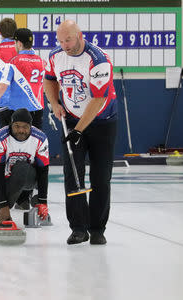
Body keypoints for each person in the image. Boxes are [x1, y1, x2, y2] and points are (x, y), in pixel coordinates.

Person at [43, 20, 117, 245]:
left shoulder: (98, 59)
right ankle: (78, 228)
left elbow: (99, 98)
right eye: (61, 40)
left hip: (102, 123)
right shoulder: (56, 56)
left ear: (80, 35)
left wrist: (79, 130)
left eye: (69, 39)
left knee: (100, 177)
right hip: (72, 121)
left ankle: (97, 229)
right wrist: (54, 103)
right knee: (72, 176)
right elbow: (49, 81)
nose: (65, 44)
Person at [0, 108, 50, 226]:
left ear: (30, 126)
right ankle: (0, 200)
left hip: (30, 177)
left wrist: (43, 201)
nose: (21, 130)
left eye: (25, 127)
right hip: (6, 177)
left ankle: (26, 196)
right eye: (17, 126)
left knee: (22, 168)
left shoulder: (40, 138)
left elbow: (43, 171)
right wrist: (3, 205)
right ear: (11, 125)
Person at [0, 28, 46, 130]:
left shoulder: (13, 63)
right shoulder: (42, 62)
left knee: (15, 144)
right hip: (37, 111)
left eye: (15, 43)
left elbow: (1, 88)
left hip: (18, 114)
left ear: (19, 43)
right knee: (36, 144)